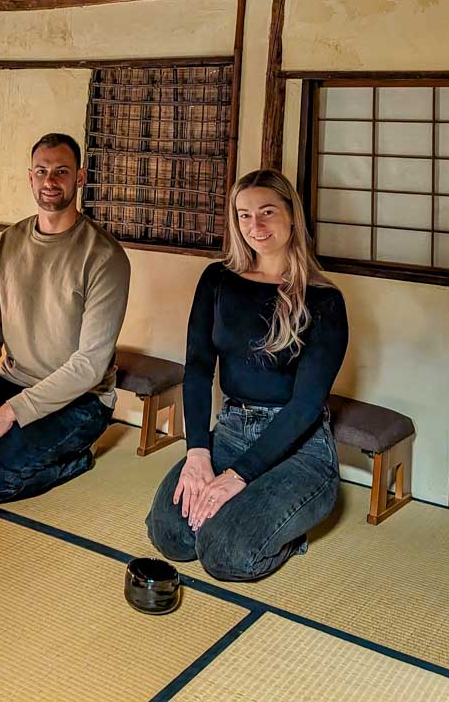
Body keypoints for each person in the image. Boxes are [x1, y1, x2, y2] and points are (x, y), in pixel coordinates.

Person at [146, 168, 348, 581]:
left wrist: (238, 477)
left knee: (225, 555)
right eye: (243, 215)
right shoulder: (218, 280)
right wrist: (198, 453)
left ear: (292, 216)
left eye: (267, 212)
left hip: (300, 448)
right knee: (171, 535)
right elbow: (199, 367)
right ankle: (247, 509)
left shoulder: (324, 299)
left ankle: (290, 531)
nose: (254, 226)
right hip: (232, 429)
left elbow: (306, 406)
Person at [0, 132, 130, 503]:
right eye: (42, 171)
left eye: (61, 172)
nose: (50, 181)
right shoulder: (8, 243)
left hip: (79, 399)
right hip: (13, 380)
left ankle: (77, 460)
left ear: (79, 178)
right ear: (30, 176)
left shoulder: (104, 256)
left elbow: (89, 366)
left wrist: (8, 414)